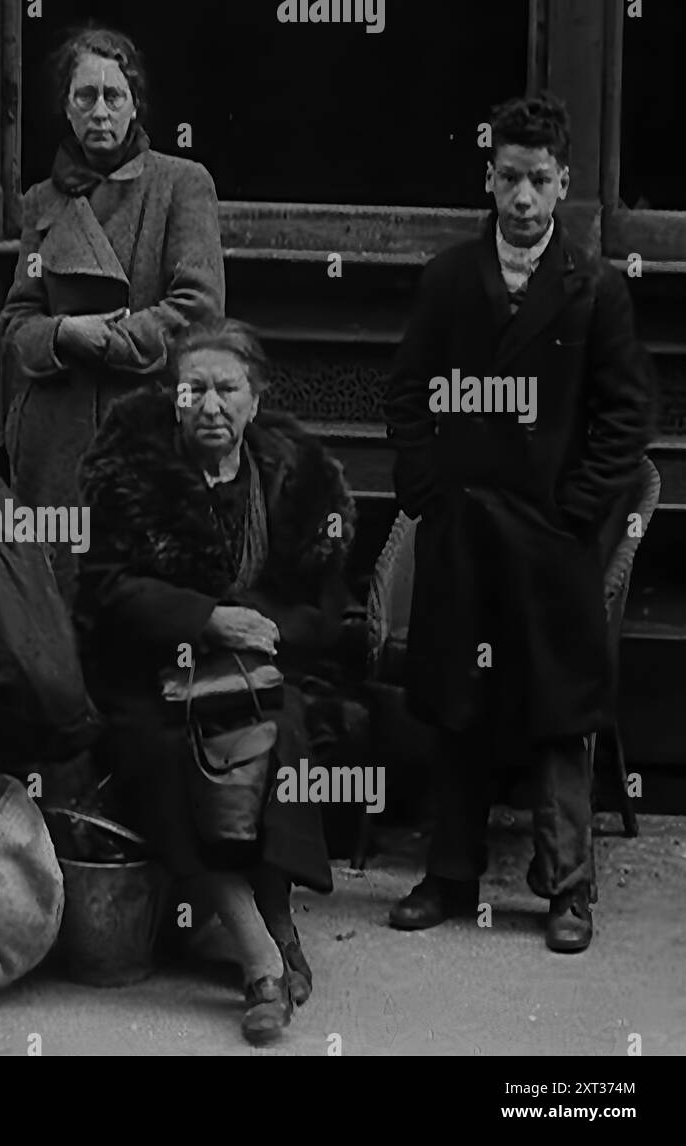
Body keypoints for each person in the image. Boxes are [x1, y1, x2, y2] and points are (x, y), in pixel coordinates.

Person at [384, 93, 655, 953]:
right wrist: (429, 489)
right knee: (458, 699)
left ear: (564, 183)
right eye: (510, 179)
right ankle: (450, 875)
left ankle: (567, 889)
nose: (525, 199)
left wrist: (576, 511)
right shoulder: (449, 280)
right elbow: (406, 394)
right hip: (464, 528)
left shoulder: (595, 291)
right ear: (489, 178)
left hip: (549, 538)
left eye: (540, 181)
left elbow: (626, 417)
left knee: (557, 707)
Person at [77, 317, 357, 1043]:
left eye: (226, 389)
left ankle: (278, 913)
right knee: (163, 749)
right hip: (150, 674)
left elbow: (325, 610)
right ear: (173, 399)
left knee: (281, 733)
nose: (209, 404)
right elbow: (104, 589)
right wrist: (204, 618)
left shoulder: (299, 484)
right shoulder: (130, 478)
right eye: (193, 388)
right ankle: (262, 956)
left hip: (262, 672)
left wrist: (259, 633)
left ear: (255, 400)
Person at [0, 24, 225, 601]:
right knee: (54, 598)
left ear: (134, 104)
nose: (100, 111)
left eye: (113, 96)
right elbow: (19, 319)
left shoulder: (180, 185)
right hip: (54, 435)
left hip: (145, 418)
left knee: (139, 593)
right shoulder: (43, 202)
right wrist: (63, 332)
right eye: (85, 96)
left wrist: (109, 341)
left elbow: (198, 308)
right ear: (65, 108)